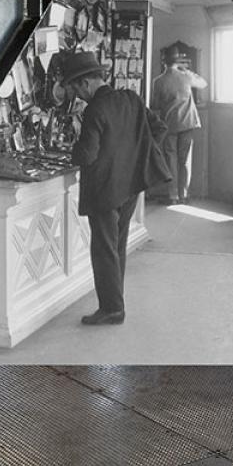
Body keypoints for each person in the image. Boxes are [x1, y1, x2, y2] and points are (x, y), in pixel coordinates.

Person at [61, 50, 169, 325]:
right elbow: (159, 128)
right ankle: (114, 303)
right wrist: (134, 155)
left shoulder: (95, 110)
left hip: (104, 191)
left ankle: (111, 309)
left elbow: (86, 155)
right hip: (130, 187)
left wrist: (70, 149)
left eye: (75, 88)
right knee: (116, 247)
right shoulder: (130, 99)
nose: (77, 95)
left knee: (103, 249)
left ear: (85, 83)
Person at [150, 50, 208, 205]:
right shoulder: (186, 76)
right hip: (188, 122)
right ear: (178, 62)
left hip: (169, 123)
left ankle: (173, 195)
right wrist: (187, 70)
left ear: (164, 62)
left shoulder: (158, 81)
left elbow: (155, 104)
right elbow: (203, 83)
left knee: (170, 159)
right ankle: (184, 194)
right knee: (185, 160)